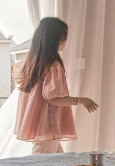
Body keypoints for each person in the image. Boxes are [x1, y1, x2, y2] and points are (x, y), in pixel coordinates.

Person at [13, 17, 98, 154]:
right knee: (43, 161)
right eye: (64, 38)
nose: (65, 42)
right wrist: (82, 100)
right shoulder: (52, 65)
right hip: (48, 123)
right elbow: (55, 98)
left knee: (57, 159)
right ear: (55, 39)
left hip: (39, 123)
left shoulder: (32, 64)